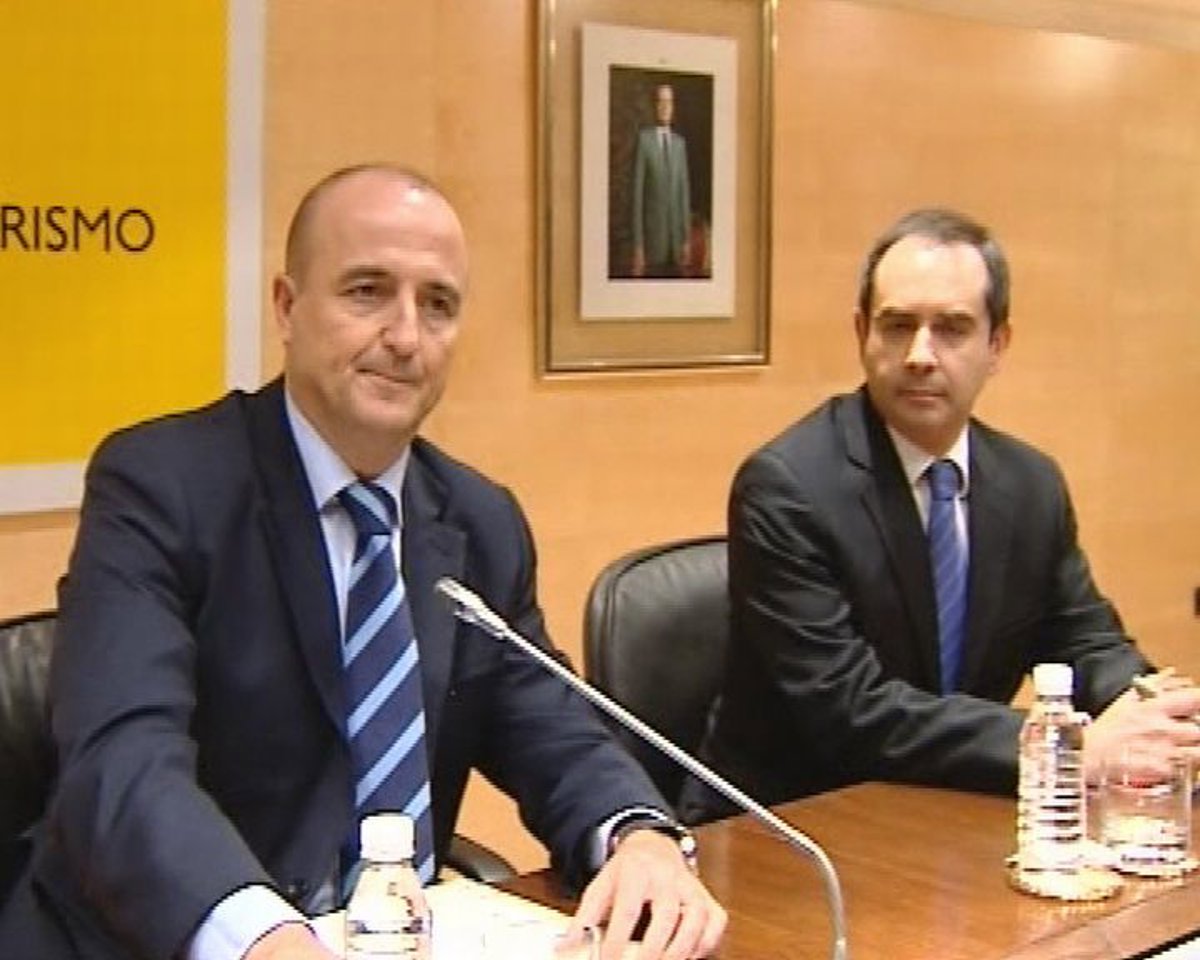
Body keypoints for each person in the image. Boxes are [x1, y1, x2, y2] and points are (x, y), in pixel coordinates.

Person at [0, 165, 725, 960]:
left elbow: (553, 730)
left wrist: (638, 837)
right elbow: (123, 764)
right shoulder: (162, 486)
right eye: (367, 292)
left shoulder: (478, 521)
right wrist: (266, 936)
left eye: (437, 304)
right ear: (287, 307)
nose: (406, 337)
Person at [681, 207, 1200, 821]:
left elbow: (1086, 639)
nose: (920, 355)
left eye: (952, 329)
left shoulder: (1029, 485)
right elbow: (849, 712)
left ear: (997, 345)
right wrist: (1067, 746)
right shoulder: (788, 488)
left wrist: (1154, 714)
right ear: (862, 334)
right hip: (789, 825)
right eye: (898, 326)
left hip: (946, 814)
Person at [631, 83, 691, 279]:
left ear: (673, 107)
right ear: (655, 106)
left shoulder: (680, 144)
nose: (665, 107)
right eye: (661, 101)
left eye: (669, 102)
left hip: (676, 245)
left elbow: (684, 194)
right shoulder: (644, 140)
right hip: (652, 246)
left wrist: (686, 240)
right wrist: (638, 246)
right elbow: (637, 197)